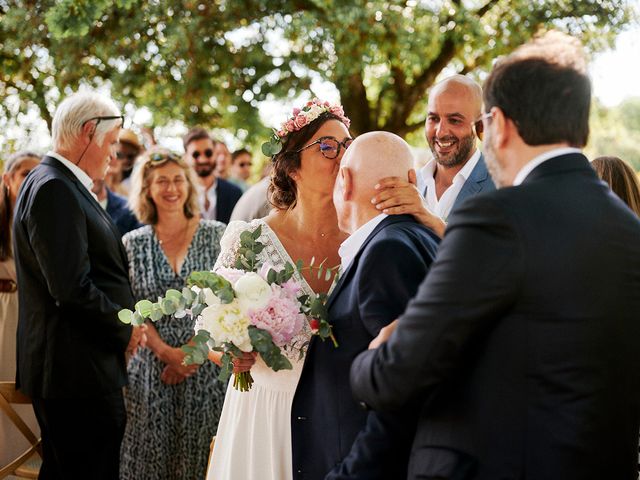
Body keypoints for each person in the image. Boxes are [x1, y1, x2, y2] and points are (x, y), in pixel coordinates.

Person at [350, 31, 640, 480]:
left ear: (498, 124)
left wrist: (371, 357)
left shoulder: (497, 217)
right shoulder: (630, 232)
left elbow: (403, 372)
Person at [205, 99, 351, 480]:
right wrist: (230, 351)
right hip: (262, 415)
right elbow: (210, 332)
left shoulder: (365, 242)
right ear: (291, 165)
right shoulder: (249, 239)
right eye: (327, 146)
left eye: (347, 145)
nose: (341, 156)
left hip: (337, 418)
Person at [291, 132, 440, 480]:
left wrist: (350, 474)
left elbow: (401, 396)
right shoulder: (418, 237)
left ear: (345, 180)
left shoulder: (387, 252)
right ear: (412, 181)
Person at [12, 91, 145, 480]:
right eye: (113, 140)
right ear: (89, 132)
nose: (115, 153)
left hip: (80, 368)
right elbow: (71, 288)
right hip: (75, 373)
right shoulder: (54, 187)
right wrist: (125, 330)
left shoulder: (59, 184)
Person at [119, 148, 227, 480]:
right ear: (147, 189)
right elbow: (131, 308)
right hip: (151, 373)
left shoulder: (218, 235)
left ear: (190, 185)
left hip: (206, 369)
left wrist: (192, 353)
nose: (171, 188)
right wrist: (167, 354)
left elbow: (227, 302)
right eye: (161, 181)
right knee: (148, 463)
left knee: (202, 460)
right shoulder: (131, 243)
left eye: (178, 179)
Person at [371, 75, 495, 237]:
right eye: (433, 118)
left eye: (454, 120)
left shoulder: (502, 184)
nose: (441, 132)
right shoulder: (409, 184)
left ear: (480, 125)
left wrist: (427, 216)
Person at [0, 151, 41, 468]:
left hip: (33, 320)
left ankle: (25, 469)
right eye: (24, 173)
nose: (30, 180)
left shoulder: (45, 222)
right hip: (3, 314)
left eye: (36, 174)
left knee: (26, 399)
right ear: (7, 179)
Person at [183, 127, 242, 224]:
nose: (203, 159)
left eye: (208, 153)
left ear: (215, 154)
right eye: (196, 154)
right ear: (186, 157)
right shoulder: (179, 194)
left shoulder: (234, 193)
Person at [106, 128, 142, 196]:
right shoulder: (90, 183)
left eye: (130, 156)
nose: (125, 160)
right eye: (119, 154)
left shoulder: (129, 193)